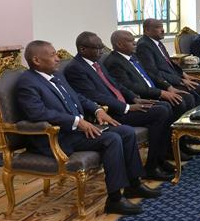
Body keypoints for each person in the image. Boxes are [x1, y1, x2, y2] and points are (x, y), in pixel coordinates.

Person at [16, 40, 160, 215]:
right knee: (112, 139)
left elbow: (78, 96)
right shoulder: (27, 82)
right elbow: (37, 113)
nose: (58, 58)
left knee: (126, 131)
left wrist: (97, 109)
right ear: (36, 60)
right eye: (53, 55)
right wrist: (77, 121)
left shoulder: (56, 75)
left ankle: (134, 185)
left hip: (76, 130)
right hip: (57, 137)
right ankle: (114, 200)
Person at [63, 31, 175, 180]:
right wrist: (127, 107)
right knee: (160, 112)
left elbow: (116, 84)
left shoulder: (96, 62)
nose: (101, 51)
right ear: (83, 49)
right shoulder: (75, 69)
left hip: (123, 105)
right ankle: (152, 166)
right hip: (111, 114)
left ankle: (159, 159)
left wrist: (134, 98)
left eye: (102, 47)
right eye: (97, 48)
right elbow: (94, 96)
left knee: (165, 106)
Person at [103, 30, 200, 159]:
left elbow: (151, 74)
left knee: (186, 97)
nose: (135, 42)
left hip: (153, 90)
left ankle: (180, 143)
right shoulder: (114, 62)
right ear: (119, 44)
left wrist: (168, 87)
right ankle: (167, 150)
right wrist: (160, 93)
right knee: (176, 103)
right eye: (131, 41)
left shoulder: (133, 56)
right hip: (141, 97)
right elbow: (130, 87)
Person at [135, 18, 200, 105]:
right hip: (166, 83)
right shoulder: (144, 46)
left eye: (162, 27)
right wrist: (180, 81)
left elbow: (169, 62)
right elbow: (153, 72)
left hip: (175, 78)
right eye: (158, 27)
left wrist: (184, 75)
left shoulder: (157, 42)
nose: (162, 30)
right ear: (147, 30)